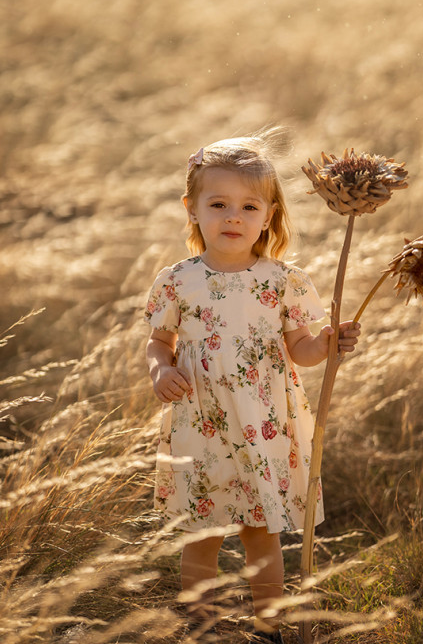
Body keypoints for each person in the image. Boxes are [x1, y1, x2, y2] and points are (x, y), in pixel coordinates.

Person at [145, 131, 361, 643]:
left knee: (260, 533)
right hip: (201, 420)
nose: (233, 217)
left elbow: (301, 351)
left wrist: (329, 342)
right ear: (192, 209)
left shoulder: (283, 281)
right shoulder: (178, 280)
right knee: (204, 531)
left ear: (269, 215)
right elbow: (159, 341)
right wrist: (160, 370)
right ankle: (199, 627)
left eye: (248, 206)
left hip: (264, 424)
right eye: (218, 204)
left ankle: (270, 627)